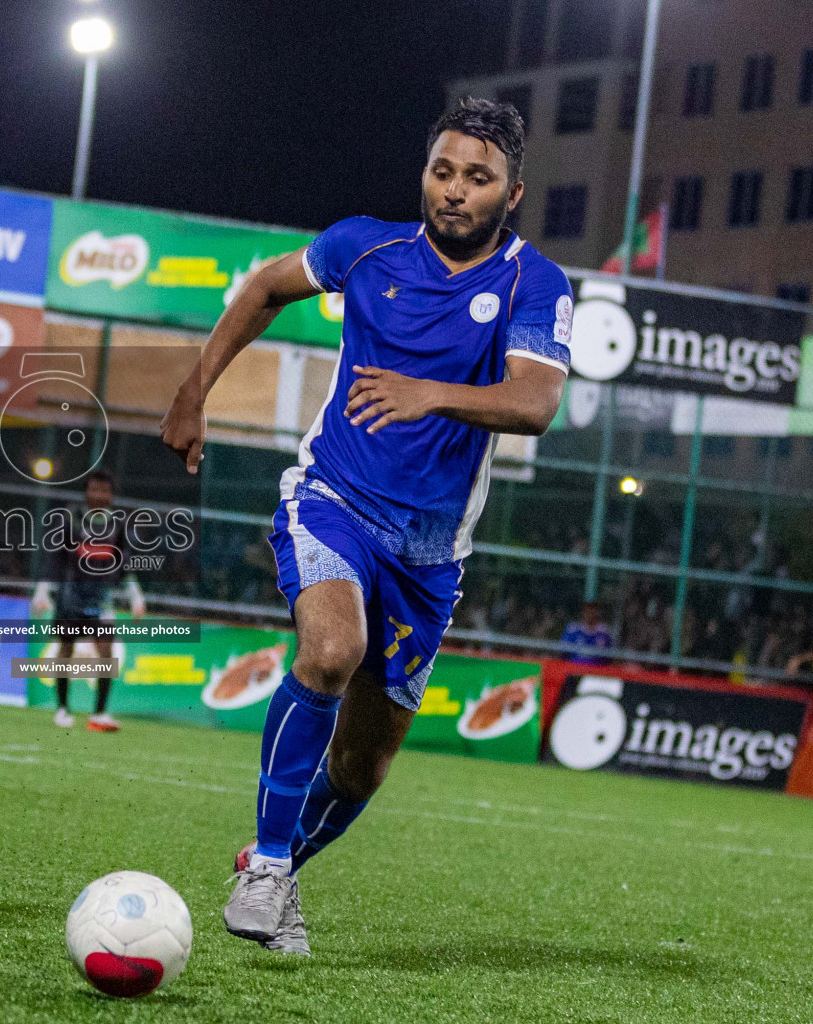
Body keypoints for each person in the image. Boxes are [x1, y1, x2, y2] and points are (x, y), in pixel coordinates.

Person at [160, 98, 570, 955]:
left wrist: (431, 394)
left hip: (431, 554)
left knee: (360, 769)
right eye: (443, 170)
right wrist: (196, 388)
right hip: (333, 500)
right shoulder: (365, 246)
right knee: (330, 651)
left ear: (514, 192)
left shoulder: (535, 283)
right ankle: (270, 866)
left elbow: (534, 403)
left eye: (478, 178)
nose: (455, 191)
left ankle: (274, 871)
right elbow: (267, 285)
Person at [30, 470, 147, 732]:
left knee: (106, 651)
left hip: (101, 597)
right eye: (93, 489)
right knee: (65, 650)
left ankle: (100, 714)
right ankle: (62, 709)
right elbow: (55, 558)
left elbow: (124, 564)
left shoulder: (118, 524)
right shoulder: (71, 519)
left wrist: (135, 596)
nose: (98, 494)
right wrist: (43, 591)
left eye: (103, 490)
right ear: (86, 492)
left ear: (111, 494)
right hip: (71, 596)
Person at [560, 600, 614, 664]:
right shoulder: (573, 629)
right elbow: (563, 653)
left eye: (594, 610)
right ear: (583, 612)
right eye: (588, 610)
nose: (590, 613)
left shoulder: (604, 632)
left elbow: (611, 655)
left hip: (597, 670)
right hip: (575, 668)